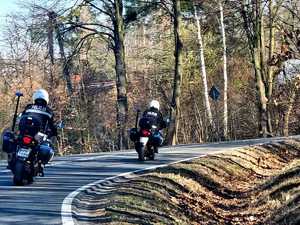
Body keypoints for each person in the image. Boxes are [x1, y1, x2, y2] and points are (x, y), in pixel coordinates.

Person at [6, 89, 57, 170]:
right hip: (37, 135)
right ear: (46, 99)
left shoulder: (28, 107)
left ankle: (12, 157)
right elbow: (52, 125)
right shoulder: (48, 111)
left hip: (24, 132)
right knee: (43, 145)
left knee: (15, 141)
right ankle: (39, 164)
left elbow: (20, 117)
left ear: (35, 98)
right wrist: (54, 133)